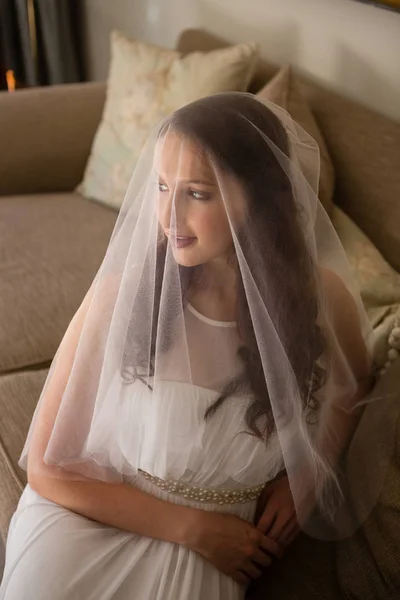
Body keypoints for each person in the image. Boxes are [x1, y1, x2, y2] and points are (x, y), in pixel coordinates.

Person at [0, 93, 377, 600]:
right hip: (87, 529)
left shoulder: (320, 302)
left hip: (201, 565)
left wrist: (305, 480)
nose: (169, 216)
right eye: (161, 187)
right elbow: (45, 469)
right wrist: (194, 529)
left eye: (196, 194)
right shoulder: (122, 298)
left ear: (257, 197)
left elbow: (355, 388)